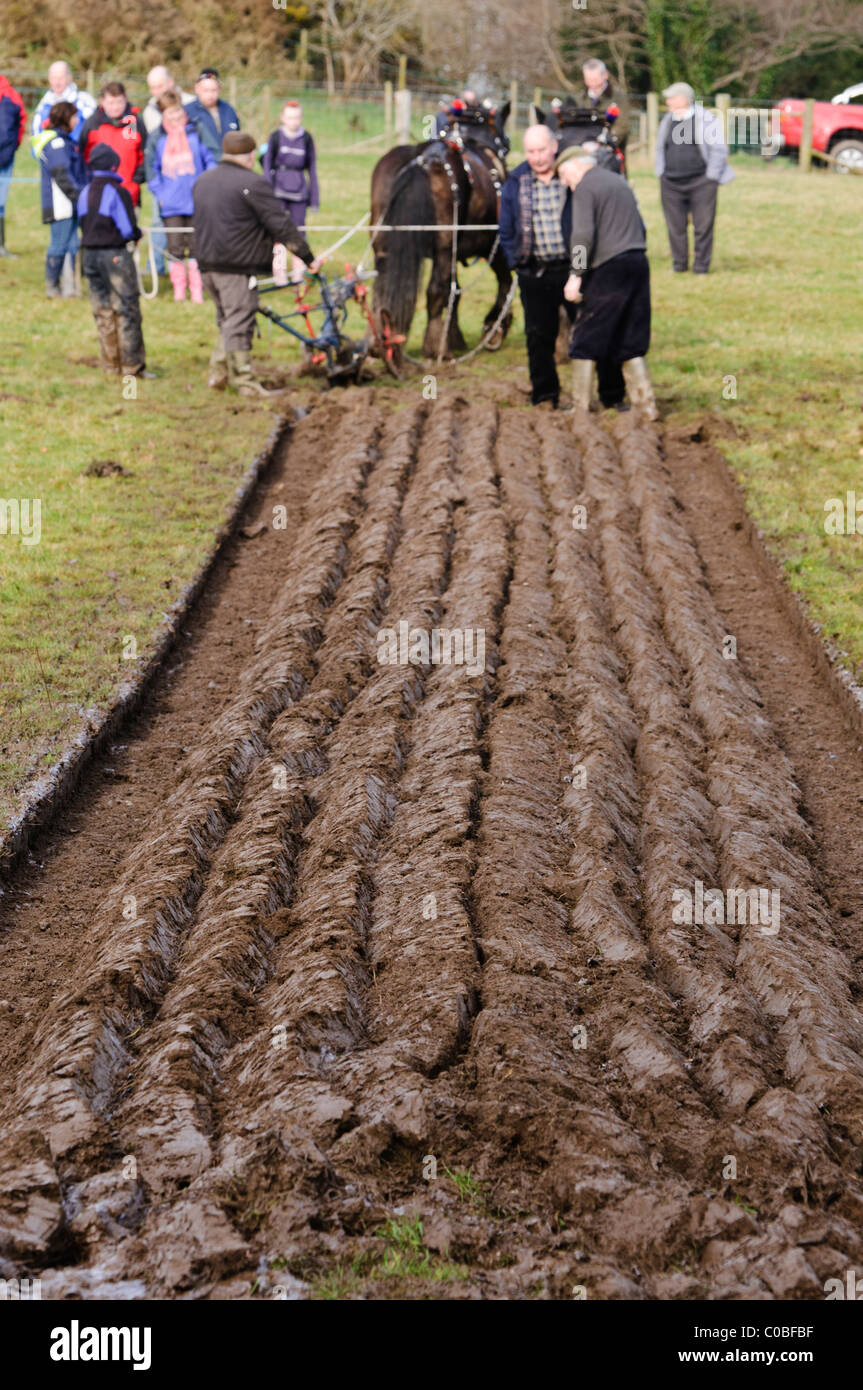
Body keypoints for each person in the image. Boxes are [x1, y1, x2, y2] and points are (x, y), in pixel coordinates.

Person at [193, 131, 321, 396]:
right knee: (239, 319)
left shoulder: (203, 180)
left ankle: (218, 375)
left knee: (227, 319)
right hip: (236, 266)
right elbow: (280, 224)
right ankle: (246, 382)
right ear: (251, 156)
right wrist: (307, 257)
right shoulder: (253, 183)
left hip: (206, 264)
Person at [557, 148, 656, 418]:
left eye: (564, 174)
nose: (565, 182)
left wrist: (576, 275)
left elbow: (582, 235)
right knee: (630, 335)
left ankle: (581, 407)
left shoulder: (586, 188)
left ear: (576, 165)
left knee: (587, 335)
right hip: (637, 262)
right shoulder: (618, 181)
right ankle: (646, 406)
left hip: (609, 268)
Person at [499, 123, 575, 409]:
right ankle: (545, 395)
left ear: (554, 147)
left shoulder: (570, 175)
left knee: (591, 329)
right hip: (534, 271)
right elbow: (506, 228)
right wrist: (516, 262)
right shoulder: (516, 181)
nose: (538, 157)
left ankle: (606, 394)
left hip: (571, 269)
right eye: (531, 151)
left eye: (542, 150)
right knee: (538, 336)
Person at [76, 143, 151, 379]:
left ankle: (110, 364)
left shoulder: (85, 191)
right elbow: (127, 229)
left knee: (102, 310)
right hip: (115, 255)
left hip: (89, 256)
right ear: (114, 165)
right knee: (127, 310)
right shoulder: (118, 191)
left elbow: (82, 223)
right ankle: (132, 367)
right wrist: (140, 233)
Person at [655, 82, 734, 275]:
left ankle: (701, 267)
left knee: (703, 225)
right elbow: (659, 148)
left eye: (672, 98)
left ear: (684, 99)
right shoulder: (667, 120)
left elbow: (719, 149)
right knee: (675, 226)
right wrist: (661, 173)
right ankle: (679, 265)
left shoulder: (706, 119)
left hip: (701, 182)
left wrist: (711, 176)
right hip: (671, 182)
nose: (668, 101)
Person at [148, 93, 214, 302]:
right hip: (171, 203)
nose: (175, 116)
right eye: (170, 113)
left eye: (178, 111)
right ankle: (179, 288)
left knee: (197, 246)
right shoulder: (158, 138)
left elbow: (210, 158)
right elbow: (151, 169)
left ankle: (197, 288)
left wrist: (207, 185)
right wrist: (161, 193)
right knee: (175, 247)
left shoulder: (196, 131)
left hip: (196, 199)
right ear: (163, 115)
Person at [142, 66, 194, 276]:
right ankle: (156, 266)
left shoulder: (191, 103)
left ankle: (198, 273)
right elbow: (153, 151)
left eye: (160, 86)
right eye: (152, 87)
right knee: (158, 221)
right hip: (165, 182)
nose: (156, 91)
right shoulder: (149, 111)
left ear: (171, 82)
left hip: (189, 179)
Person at [262, 100, 319, 285]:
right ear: (282, 118)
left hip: (299, 193)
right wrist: (267, 193)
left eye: (296, 117)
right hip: (278, 191)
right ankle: (279, 274)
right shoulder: (275, 137)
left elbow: (311, 169)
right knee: (278, 233)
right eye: (289, 117)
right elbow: (267, 165)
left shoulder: (307, 139)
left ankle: (298, 273)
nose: (293, 121)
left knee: (299, 232)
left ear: (300, 118)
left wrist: (315, 198)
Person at [32, 100, 85, 297]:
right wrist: (78, 197)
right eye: (74, 116)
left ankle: (71, 287)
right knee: (60, 244)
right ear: (65, 117)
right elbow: (62, 175)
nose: (77, 120)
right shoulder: (56, 143)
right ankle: (52, 287)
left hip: (70, 203)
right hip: (61, 204)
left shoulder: (67, 141)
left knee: (72, 245)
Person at [78, 82, 146, 207]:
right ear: (102, 101)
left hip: (129, 195)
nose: (115, 107)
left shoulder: (136, 123)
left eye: (119, 102)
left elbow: (145, 155)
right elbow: (82, 156)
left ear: (125, 99)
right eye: (111, 103)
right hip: (97, 194)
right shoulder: (92, 124)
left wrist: (135, 181)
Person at [30, 60, 96, 141]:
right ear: (49, 79)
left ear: (69, 78)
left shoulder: (84, 101)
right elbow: (36, 134)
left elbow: (93, 129)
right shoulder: (43, 105)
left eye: (61, 78)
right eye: (54, 78)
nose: (57, 82)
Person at [184, 69, 240, 163]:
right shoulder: (187, 112)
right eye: (206, 90)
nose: (210, 95)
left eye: (213, 90)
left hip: (229, 165)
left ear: (219, 89)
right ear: (197, 88)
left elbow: (237, 135)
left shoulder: (229, 110)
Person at [0, 71, 27, 258]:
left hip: (5, 157)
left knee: (0, 202)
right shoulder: (13, 95)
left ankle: (1, 246)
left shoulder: (12, 96)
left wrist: (13, 147)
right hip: (7, 155)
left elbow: (21, 124)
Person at [580, 59, 630, 156]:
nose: (593, 84)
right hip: (584, 151)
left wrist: (605, 143)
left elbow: (622, 125)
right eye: (589, 80)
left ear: (605, 75)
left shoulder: (619, 97)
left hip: (610, 152)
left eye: (595, 80)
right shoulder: (580, 98)